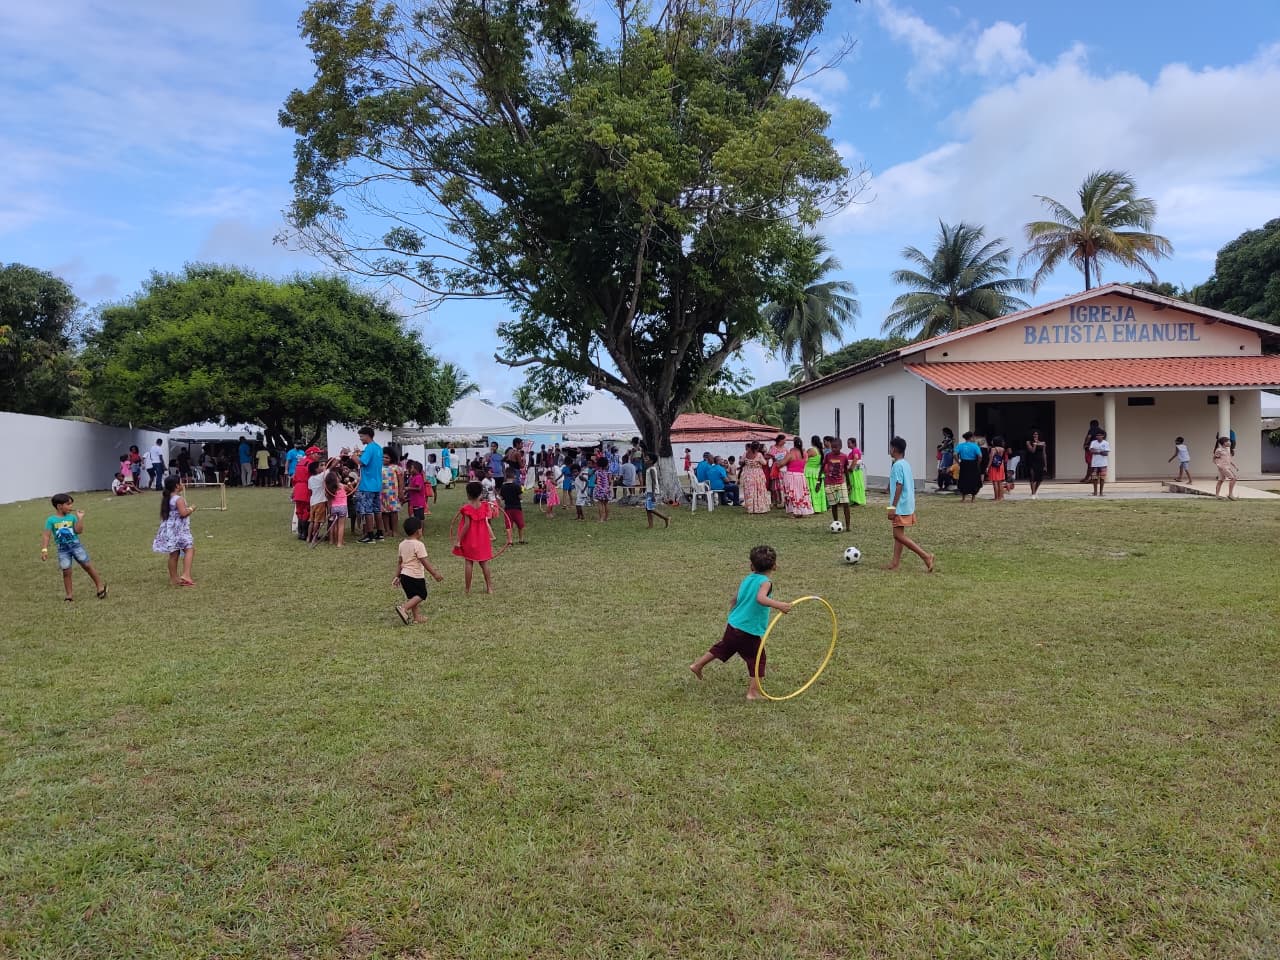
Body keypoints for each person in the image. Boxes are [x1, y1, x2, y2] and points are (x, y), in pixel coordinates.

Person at [688, 545, 792, 701]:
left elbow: (737, 596)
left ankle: (697, 665)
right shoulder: (765, 582)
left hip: (734, 624)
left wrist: (735, 606)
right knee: (758, 659)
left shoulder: (748, 578)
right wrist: (780, 606)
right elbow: (761, 598)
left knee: (723, 646)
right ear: (775, 566)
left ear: (751, 566)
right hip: (748, 630)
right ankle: (753, 693)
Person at [41, 493, 107, 601]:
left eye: (71, 504)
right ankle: (69, 595)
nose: (71, 506)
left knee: (87, 566)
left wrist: (80, 519)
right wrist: (44, 549)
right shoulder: (51, 520)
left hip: (76, 546)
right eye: (68, 504)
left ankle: (100, 586)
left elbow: (79, 531)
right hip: (62, 549)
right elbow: (46, 535)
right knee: (66, 571)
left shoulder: (72, 517)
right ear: (59, 506)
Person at [885, 436, 934, 572]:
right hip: (907, 503)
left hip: (900, 505)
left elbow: (899, 485)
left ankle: (926, 556)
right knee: (899, 533)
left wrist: (892, 507)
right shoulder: (905, 463)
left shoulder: (897, 465)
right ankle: (895, 563)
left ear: (894, 449)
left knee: (897, 535)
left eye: (890, 447)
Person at [394, 516, 445, 625]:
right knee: (422, 594)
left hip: (404, 576)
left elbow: (400, 562)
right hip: (415, 576)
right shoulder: (419, 545)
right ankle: (403, 608)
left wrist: (397, 576)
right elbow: (424, 561)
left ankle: (417, 617)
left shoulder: (402, 544)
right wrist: (435, 574)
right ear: (418, 531)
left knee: (413, 597)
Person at [153, 475, 197, 586]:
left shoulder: (167, 498)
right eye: (181, 482)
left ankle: (174, 578)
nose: (182, 484)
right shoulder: (179, 499)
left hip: (170, 530)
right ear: (177, 486)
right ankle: (186, 575)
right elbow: (183, 513)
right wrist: (191, 509)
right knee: (189, 549)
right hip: (179, 530)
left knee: (174, 553)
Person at [452, 481, 494, 594]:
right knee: (484, 563)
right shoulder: (485, 506)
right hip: (482, 538)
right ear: (480, 494)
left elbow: (466, 525)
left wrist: (459, 540)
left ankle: (467, 589)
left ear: (468, 494)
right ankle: (489, 587)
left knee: (469, 562)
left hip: (470, 538)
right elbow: (488, 519)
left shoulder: (467, 508)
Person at [355, 427, 383, 543]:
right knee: (377, 510)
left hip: (367, 485)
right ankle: (380, 533)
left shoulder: (369, 448)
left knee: (368, 510)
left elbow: (361, 462)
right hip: (377, 483)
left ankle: (370, 535)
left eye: (361, 436)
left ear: (367, 435)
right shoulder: (378, 448)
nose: (360, 439)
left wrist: (353, 456)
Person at [821, 437, 850, 529]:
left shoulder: (844, 456)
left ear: (840, 447)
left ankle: (848, 526)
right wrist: (818, 481)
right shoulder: (828, 456)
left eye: (836, 447)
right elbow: (822, 467)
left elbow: (845, 470)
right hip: (829, 483)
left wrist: (849, 482)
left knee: (846, 504)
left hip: (841, 483)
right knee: (834, 505)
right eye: (832, 447)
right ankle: (836, 523)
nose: (834, 449)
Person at [326, 459, 354, 546]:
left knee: (333, 525)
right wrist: (349, 482)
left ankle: (332, 541)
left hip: (334, 508)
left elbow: (329, 500)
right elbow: (352, 490)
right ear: (337, 479)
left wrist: (330, 510)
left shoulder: (329, 489)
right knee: (341, 525)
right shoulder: (342, 486)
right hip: (343, 507)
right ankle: (339, 543)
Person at [782, 436, 812, 517]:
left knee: (793, 493)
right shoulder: (805, 453)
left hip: (791, 475)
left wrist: (777, 461)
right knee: (801, 493)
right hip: (801, 476)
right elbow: (804, 462)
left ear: (794, 444)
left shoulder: (791, 453)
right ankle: (802, 510)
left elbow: (782, 463)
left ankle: (795, 511)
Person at [739, 442, 770, 514]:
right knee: (759, 490)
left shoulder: (746, 453)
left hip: (748, 474)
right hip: (757, 474)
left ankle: (750, 508)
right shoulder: (759, 455)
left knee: (750, 491)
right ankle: (759, 507)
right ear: (758, 447)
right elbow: (764, 463)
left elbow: (741, 462)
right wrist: (767, 459)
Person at [499, 468, 527, 544]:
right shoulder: (517, 486)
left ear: (506, 476)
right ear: (514, 476)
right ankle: (521, 539)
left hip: (507, 509)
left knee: (509, 525)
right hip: (517, 508)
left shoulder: (503, 487)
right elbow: (520, 497)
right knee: (520, 525)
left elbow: (501, 498)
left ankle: (510, 541)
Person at [642, 455, 671, 529]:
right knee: (648, 509)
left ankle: (666, 518)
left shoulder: (652, 469)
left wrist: (653, 494)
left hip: (652, 492)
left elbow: (654, 481)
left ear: (651, 461)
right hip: (649, 491)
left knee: (650, 509)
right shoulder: (649, 469)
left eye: (647, 458)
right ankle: (650, 525)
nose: (645, 459)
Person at [955, 431, 983, 503]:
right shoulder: (975, 446)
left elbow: (955, 454)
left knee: (963, 479)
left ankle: (963, 498)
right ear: (971, 437)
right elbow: (980, 456)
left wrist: (958, 462)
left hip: (964, 463)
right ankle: (973, 498)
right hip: (973, 463)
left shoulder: (960, 445)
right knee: (974, 480)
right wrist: (978, 462)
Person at [306, 460, 329, 545]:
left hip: (313, 501)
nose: (322, 467)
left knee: (312, 521)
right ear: (316, 469)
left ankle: (309, 537)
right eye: (320, 466)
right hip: (320, 501)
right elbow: (330, 469)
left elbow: (310, 489)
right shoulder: (320, 477)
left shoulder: (310, 479)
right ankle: (314, 537)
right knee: (317, 521)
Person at [804, 435, 827, 515]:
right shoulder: (821, 450)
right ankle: (819, 507)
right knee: (817, 490)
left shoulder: (812, 450)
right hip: (817, 472)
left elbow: (804, 458)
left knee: (811, 490)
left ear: (812, 442)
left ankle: (812, 507)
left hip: (809, 472)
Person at [1212, 436, 1238, 500]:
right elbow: (1214, 459)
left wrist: (1235, 466)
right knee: (1233, 478)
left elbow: (1229, 459)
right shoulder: (1219, 450)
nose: (1230, 442)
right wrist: (1218, 465)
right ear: (1224, 443)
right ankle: (1230, 495)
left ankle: (1217, 496)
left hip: (1227, 467)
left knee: (1220, 481)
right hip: (1223, 467)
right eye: (1228, 441)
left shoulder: (1227, 450)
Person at [1087, 429, 1111, 497]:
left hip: (1103, 464)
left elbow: (1106, 453)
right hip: (1095, 464)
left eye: (1100, 435)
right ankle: (1095, 492)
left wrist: (1097, 451)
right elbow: (1091, 451)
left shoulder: (1106, 443)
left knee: (1102, 478)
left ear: (1103, 436)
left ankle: (1101, 492)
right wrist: (1100, 452)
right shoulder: (1093, 442)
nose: (1098, 436)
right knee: (1094, 478)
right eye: (1097, 435)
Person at [1025, 431, 1047, 499]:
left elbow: (1044, 454)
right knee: (1032, 477)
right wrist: (1035, 444)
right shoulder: (1028, 442)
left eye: (1037, 434)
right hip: (1032, 461)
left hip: (1040, 461)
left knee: (1040, 479)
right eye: (1034, 434)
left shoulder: (1043, 443)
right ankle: (1033, 494)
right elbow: (1032, 451)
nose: (1035, 435)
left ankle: (1034, 491)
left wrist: (1045, 465)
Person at [1080, 419, 1104, 483]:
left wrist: (1085, 444)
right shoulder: (1102, 431)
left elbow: (1089, 437)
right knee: (1095, 464)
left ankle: (1087, 479)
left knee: (1090, 464)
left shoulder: (1092, 429)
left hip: (1090, 449)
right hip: (1099, 451)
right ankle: (1091, 478)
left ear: (1091, 425)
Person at [845, 437, 866, 507]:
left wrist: (851, 468)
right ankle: (854, 500)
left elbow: (856, 458)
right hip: (856, 471)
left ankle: (856, 500)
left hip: (855, 471)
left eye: (849, 443)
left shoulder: (855, 450)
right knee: (854, 484)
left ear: (853, 443)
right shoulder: (854, 450)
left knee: (854, 485)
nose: (847, 444)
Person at [987, 436, 1007, 502]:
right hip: (1000, 465)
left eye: (992, 440)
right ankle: (1001, 497)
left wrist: (988, 467)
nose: (991, 442)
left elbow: (991, 458)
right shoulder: (1002, 449)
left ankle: (996, 497)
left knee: (995, 482)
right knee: (1000, 482)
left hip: (994, 466)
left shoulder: (993, 449)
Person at [593, 455, 612, 522]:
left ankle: (601, 518)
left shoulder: (597, 472)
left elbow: (595, 481)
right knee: (606, 503)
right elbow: (610, 481)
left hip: (599, 490)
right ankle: (606, 517)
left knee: (600, 503)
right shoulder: (608, 472)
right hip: (606, 490)